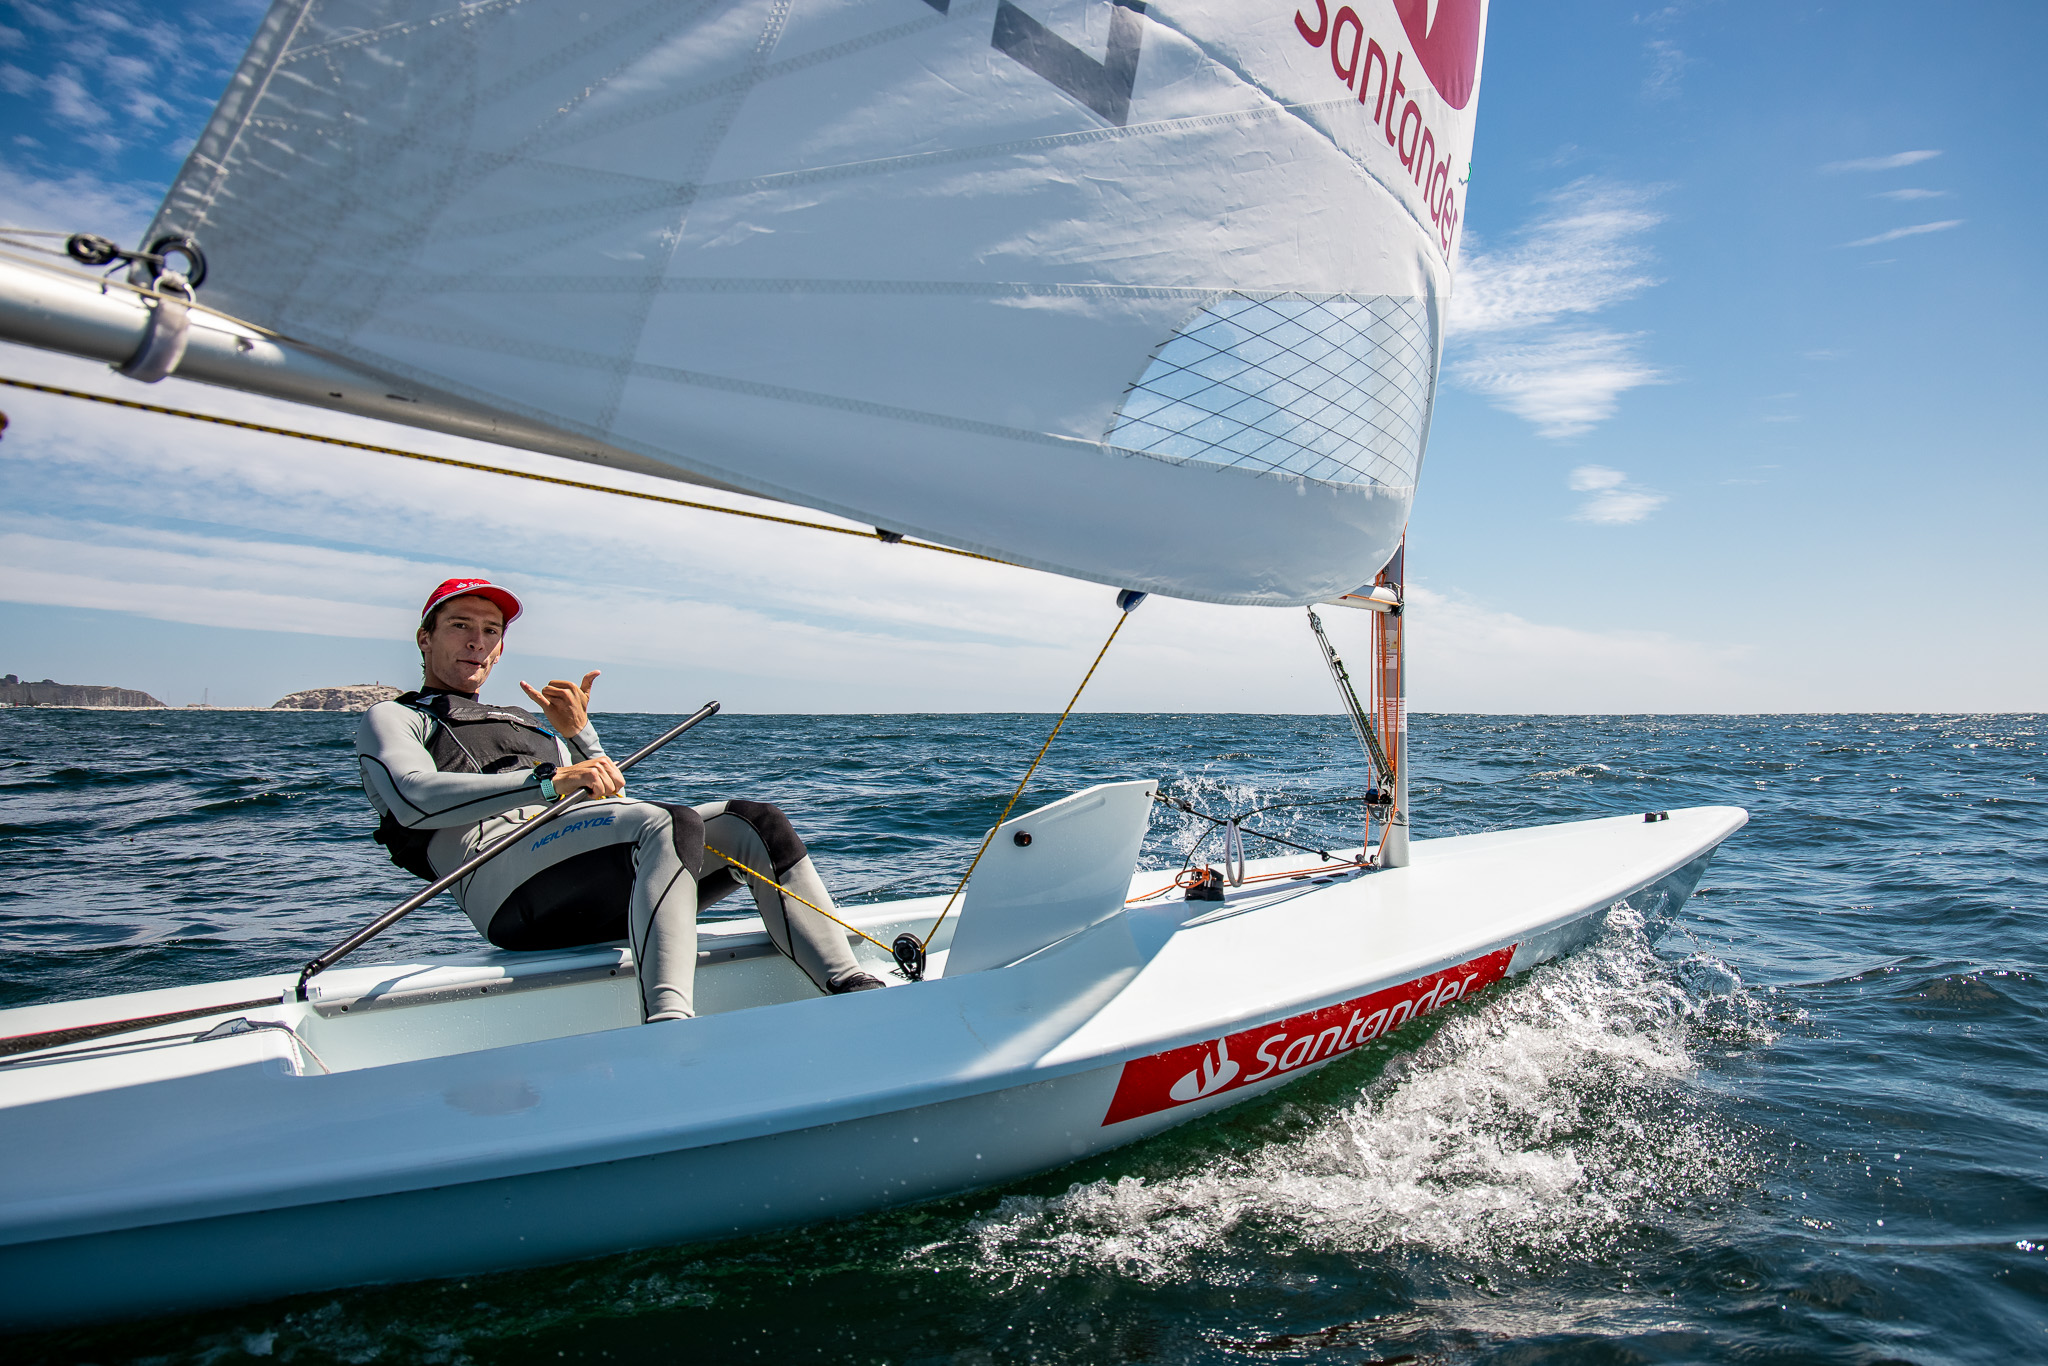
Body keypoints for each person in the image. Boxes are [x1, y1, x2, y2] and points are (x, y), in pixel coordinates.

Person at [355, 576, 885, 1021]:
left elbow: (615, 809)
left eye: (490, 631)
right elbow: (413, 799)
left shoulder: (532, 729)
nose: (476, 641)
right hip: (509, 898)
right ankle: (671, 1028)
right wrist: (549, 780)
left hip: (592, 888)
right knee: (664, 822)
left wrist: (581, 735)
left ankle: (852, 991)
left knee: (754, 821)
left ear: (500, 648)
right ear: (424, 639)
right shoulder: (397, 717)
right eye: (460, 626)